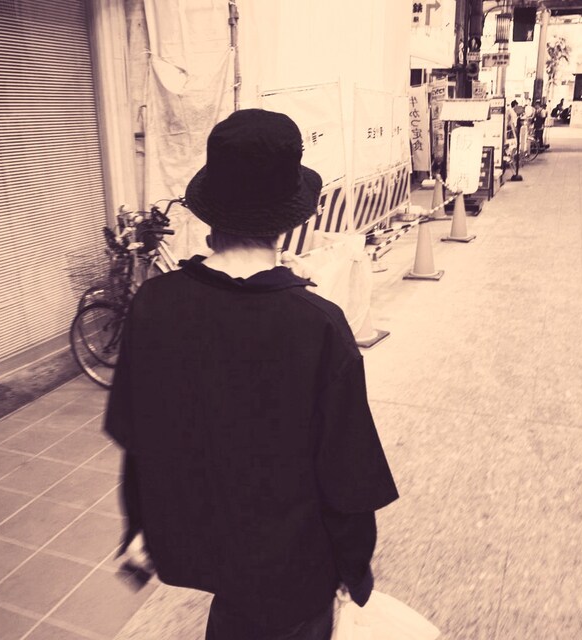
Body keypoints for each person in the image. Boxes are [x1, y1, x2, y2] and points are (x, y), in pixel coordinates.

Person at [104, 108, 399, 640]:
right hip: (293, 566)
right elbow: (346, 473)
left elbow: (137, 433)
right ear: (288, 220)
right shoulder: (317, 324)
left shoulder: (154, 304)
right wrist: (354, 568)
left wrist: (140, 526)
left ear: (210, 213)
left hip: (201, 545)